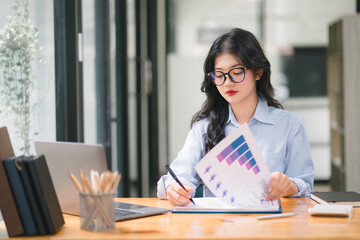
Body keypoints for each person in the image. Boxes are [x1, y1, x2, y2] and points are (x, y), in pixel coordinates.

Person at [157, 28, 314, 206]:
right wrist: (175, 189)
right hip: (219, 228)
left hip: (271, 227)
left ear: (258, 72)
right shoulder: (204, 127)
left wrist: (289, 185)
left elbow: (306, 188)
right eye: (219, 75)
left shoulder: (290, 126)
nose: (227, 82)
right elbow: (173, 179)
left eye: (236, 72)